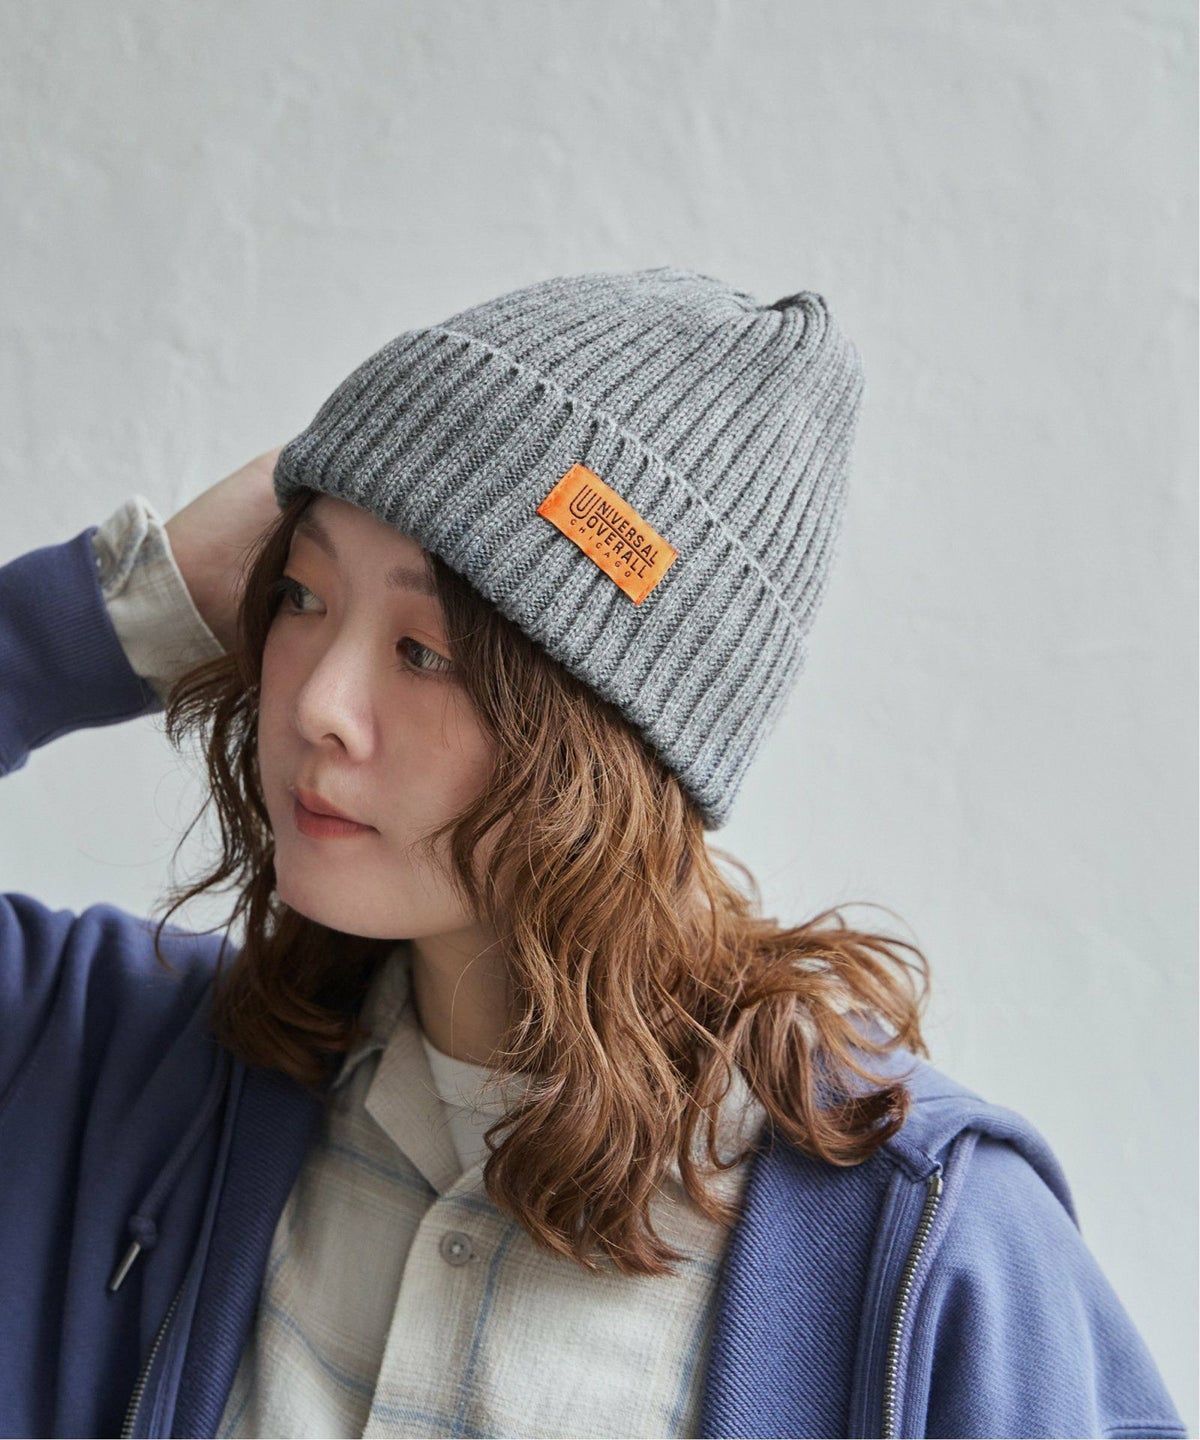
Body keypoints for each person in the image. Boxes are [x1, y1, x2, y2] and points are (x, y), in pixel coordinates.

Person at [0, 267, 1185, 1440]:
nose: (318, 704)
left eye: (425, 652)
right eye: (302, 598)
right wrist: (104, 621)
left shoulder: (924, 1243)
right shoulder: (119, 1068)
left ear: (609, 747)